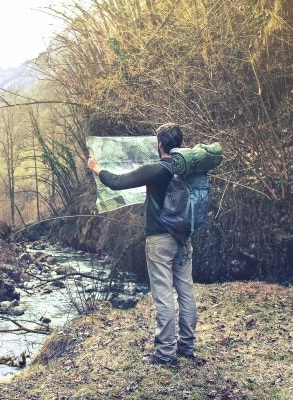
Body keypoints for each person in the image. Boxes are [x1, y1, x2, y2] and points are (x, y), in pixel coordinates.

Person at [87, 123, 197, 367]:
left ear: (159, 144)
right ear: (179, 143)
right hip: (184, 239)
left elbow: (116, 182)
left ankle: (166, 354)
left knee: (163, 296)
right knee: (186, 292)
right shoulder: (187, 170)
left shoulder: (155, 170)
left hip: (159, 241)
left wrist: (97, 169)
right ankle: (187, 347)